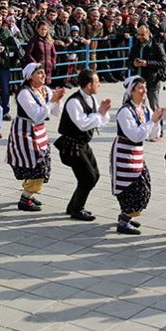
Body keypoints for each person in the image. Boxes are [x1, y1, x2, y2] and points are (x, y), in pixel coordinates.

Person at [54, 69, 112, 221]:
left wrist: (103, 113)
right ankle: (77, 209)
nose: (99, 84)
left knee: (95, 175)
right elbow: (82, 124)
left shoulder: (91, 99)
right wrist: (99, 114)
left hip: (83, 144)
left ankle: (73, 205)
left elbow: (99, 121)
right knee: (87, 177)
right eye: (96, 82)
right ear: (88, 85)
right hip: (72, 145)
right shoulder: (74, 102)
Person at [6, 63, 66, 211]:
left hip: (39, 131)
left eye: (43, 72)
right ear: (30, 76)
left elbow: (57, 113)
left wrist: (58, 99)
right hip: (24, 132)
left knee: (42, 162)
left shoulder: (45, 90)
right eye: (39, 73)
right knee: (36, 164)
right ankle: (25, 198)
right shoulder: (24, 93)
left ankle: (30, 193)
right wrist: (52, 102)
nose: (43, 75)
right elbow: (37, 115)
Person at [110, 76, 164, 235]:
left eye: (145, 87)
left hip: (137, 153)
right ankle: (124, 220)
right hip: (124, 153)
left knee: (143, 186)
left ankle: (126, 216)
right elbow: (135, 135)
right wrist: (151, 122)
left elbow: (153, 134)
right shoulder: (125, 111)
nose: (144, 91)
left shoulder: (145, 109)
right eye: (140, 88)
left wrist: (156, 122)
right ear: (131, 91)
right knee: (131, 188)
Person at [128, 25, 166, 131]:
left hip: (152, 81)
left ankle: (159, 130)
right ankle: (142, 129)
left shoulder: (156, 46)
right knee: (139, 108)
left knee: (154, 107)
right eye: (138, 34)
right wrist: (134, 64)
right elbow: (129, 61)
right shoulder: (136, 46)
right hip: (139, 82)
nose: (140, 37)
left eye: (142, 34)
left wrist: (147, 63)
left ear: (148, 34)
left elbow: (163, 63)